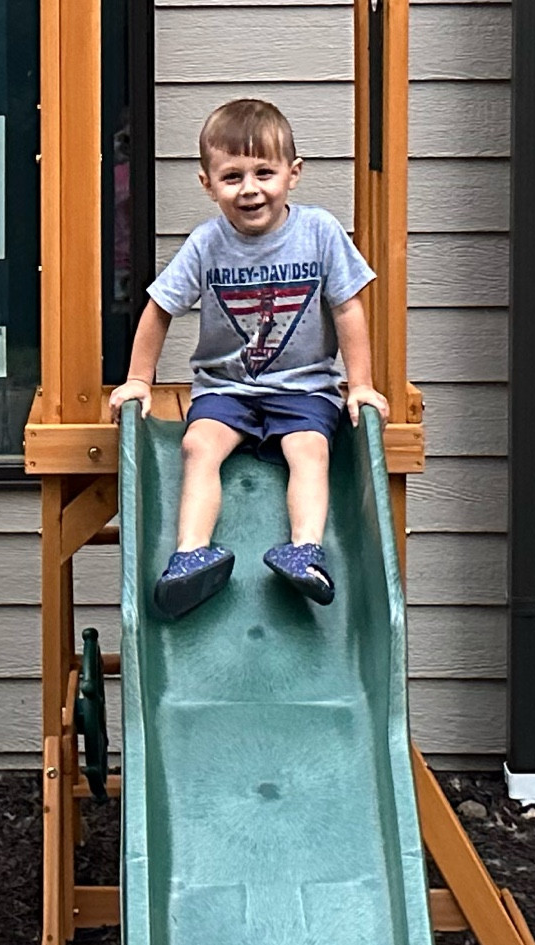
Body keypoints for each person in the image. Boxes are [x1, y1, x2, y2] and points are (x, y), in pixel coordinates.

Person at [109, 97, 391, 620]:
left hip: (304, 387)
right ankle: (191, 555)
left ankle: (305, 550)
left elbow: (348, 308)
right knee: (198, 444)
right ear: (207, 183)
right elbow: (158, 308)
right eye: (232, 176)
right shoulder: (206, 243)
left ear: (293, 173)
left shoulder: (320, 233)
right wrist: (138, 380)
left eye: (264, 172)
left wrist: (359, 386)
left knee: (310, 449)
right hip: (226, 388)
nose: (250, 189)